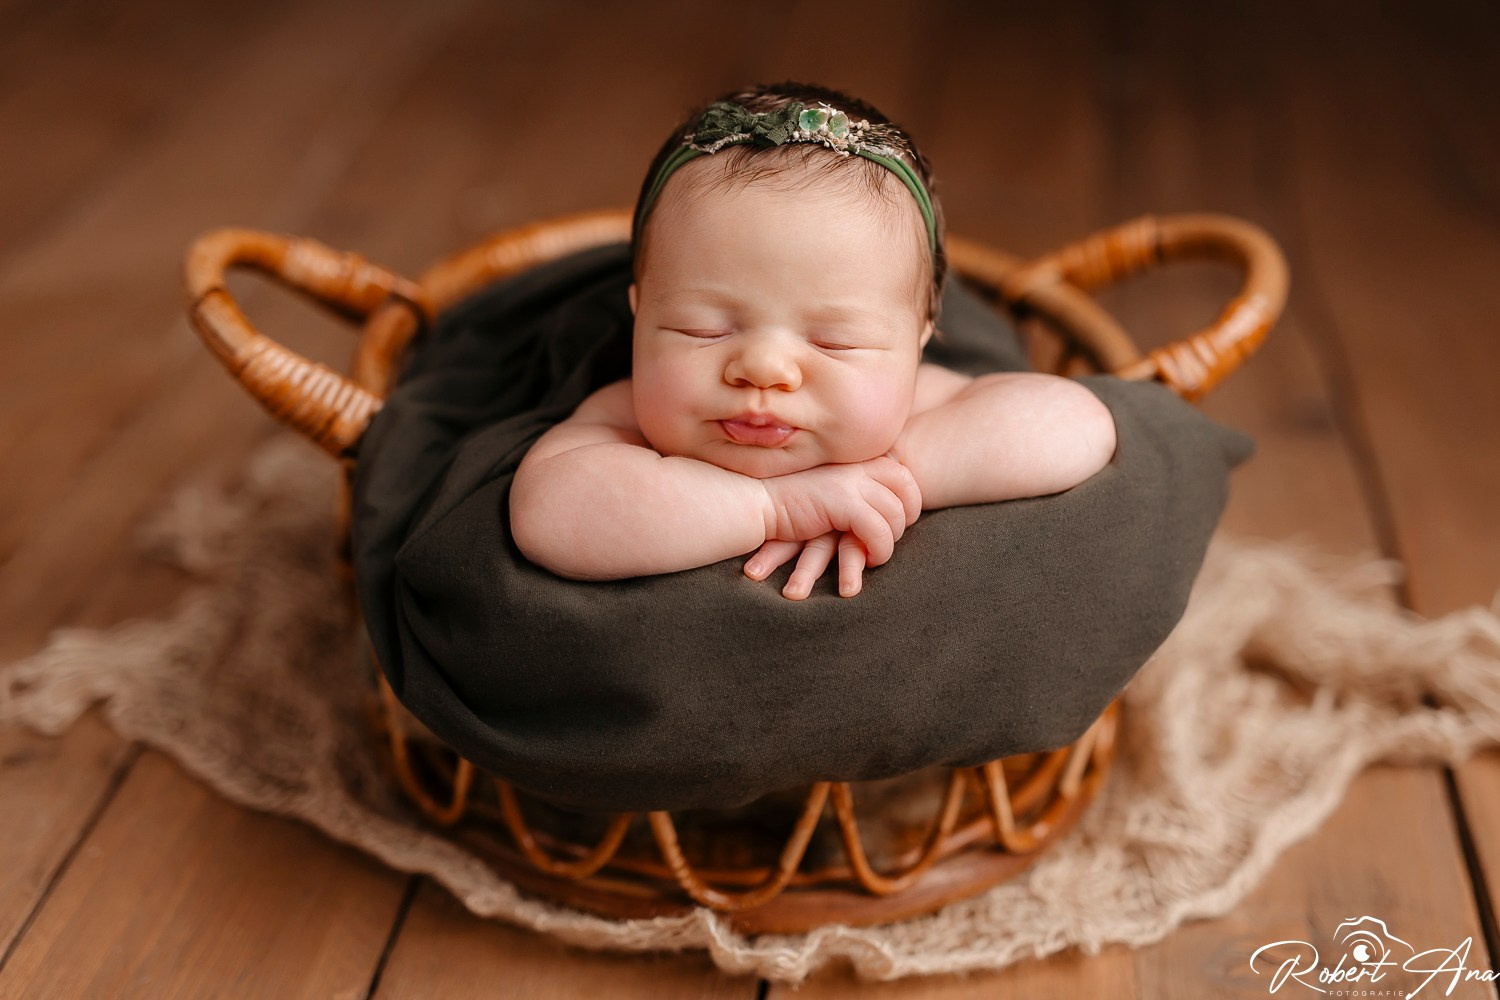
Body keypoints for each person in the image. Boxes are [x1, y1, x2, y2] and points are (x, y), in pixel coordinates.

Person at [510, 81, 1117, 600]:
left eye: (835, 342)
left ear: (917, 344)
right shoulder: (624, 419)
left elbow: (1078, 422)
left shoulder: (912, 409)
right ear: (639, 315)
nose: (764, 368)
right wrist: (776, 508)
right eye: (703, 328)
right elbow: (547, 515)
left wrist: (889, 477)